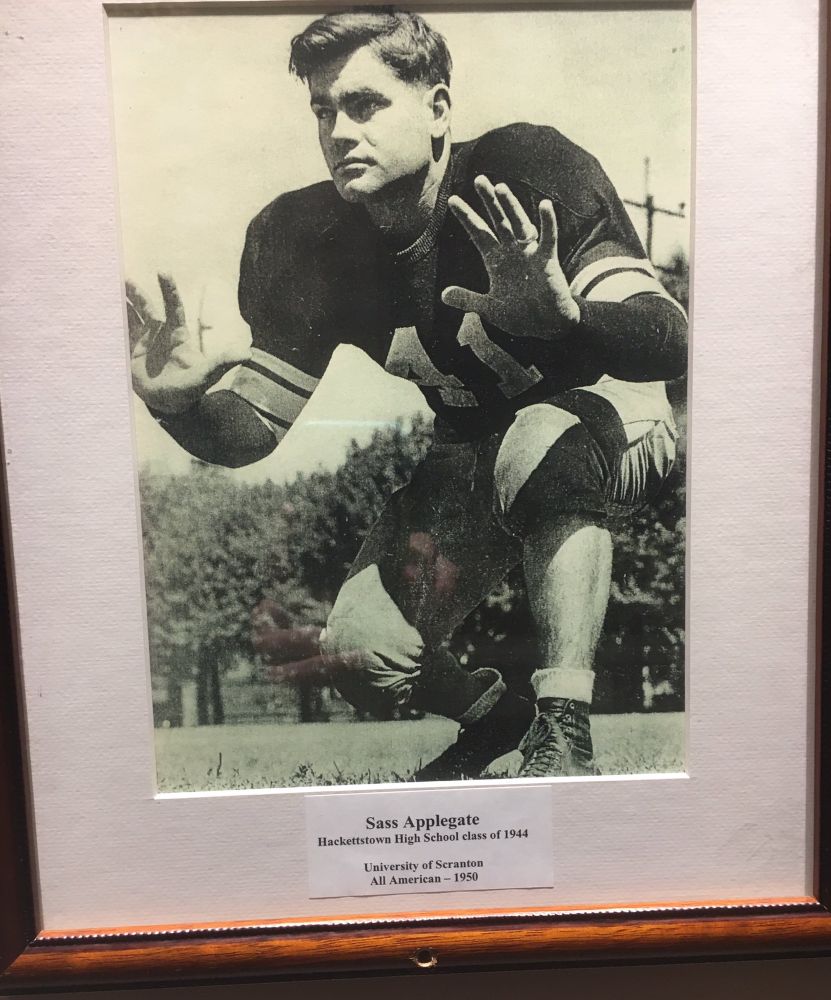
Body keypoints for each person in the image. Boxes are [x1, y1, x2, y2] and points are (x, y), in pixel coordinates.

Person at [126, 8, 687, 780]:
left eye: (364, 103)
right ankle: (500, 721)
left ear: (436, 110)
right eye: (323, 110)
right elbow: (251, 431)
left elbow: (669, 333)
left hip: (613, 411)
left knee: (537, 443)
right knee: (359, 652)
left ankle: (565, 729)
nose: (338, 130)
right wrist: (175, 405)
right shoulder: (303, 238)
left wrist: (568, 318)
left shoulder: (524, 169)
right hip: (469, 448)